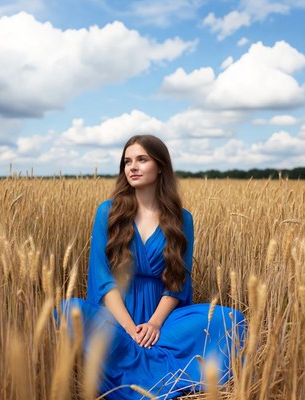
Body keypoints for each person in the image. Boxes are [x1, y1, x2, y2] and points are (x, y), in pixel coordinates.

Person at [58, 134, 245, 399]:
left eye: (141, 160)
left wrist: (155, 325)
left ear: (160, 166)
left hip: (163, 318)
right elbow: (103, 279)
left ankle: (136, 369)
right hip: (116, 315)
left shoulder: (182, 219)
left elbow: (177, 280)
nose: (132, 167)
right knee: (66, 310)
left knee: (231, 320)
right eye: (127, 161)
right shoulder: (108, 212)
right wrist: (129, 328)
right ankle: (154, 372)